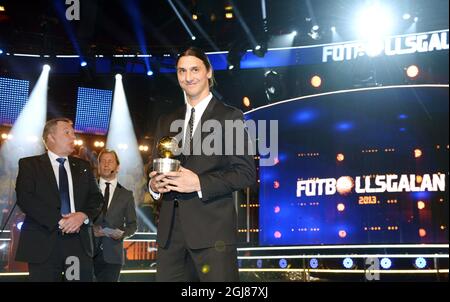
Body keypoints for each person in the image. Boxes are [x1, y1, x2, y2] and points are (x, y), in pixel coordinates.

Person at [149, 46, 256, 281]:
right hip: (169, 236)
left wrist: (199, 183)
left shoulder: (230, 116)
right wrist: (154, 187)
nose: (188, 77)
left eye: (195, 69)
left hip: (212, 234)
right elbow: (154, 168)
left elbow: (246, 173)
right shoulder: (166, 120)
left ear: (208, 72)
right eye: (182, 71)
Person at [15, 118, 103, 282]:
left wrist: (82, 215)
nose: (73, 137)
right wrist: (60, 221)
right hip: (43, 242)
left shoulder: (83, 166)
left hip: (77, 244)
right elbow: (25, 198)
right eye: (67, 132)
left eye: (73, 133)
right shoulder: (30, 165)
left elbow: (96, 198)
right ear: (51, 137)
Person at [93, 149, 137, 282]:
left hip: (113, 255)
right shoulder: (87, 189)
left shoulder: (126, 195)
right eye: (103, 161)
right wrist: (91, 230)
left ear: (117, 167)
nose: (106, 164)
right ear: (98, 165)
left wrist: (121, 233)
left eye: (110, 161)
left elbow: (132, 225)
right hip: (87, 253)